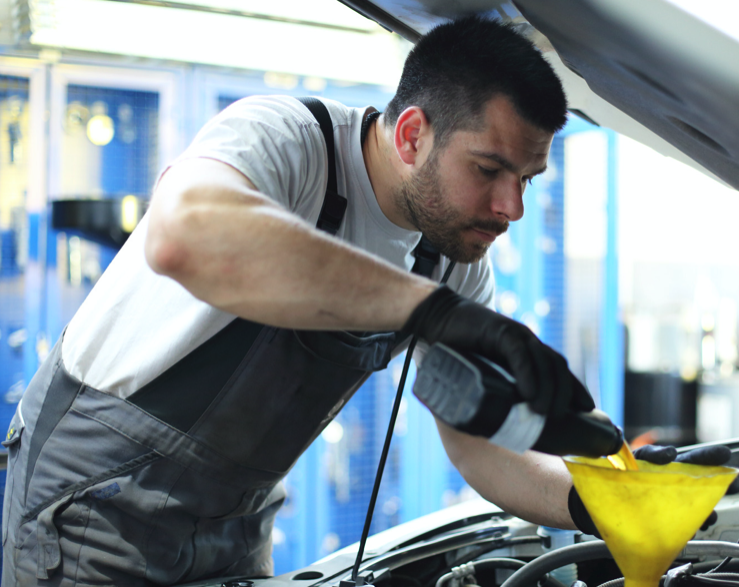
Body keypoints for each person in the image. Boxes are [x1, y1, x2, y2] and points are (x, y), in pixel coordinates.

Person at [2, 16, 621, 586]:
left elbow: (477, 447)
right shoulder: (288, 142)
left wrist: (595, 502)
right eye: (489, 170)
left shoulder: (450, 256)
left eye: (527, 180)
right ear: (411, 137)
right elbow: (180, 236)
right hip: (93, 513)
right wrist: (432, 311)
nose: (511, 207)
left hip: (235, 528)